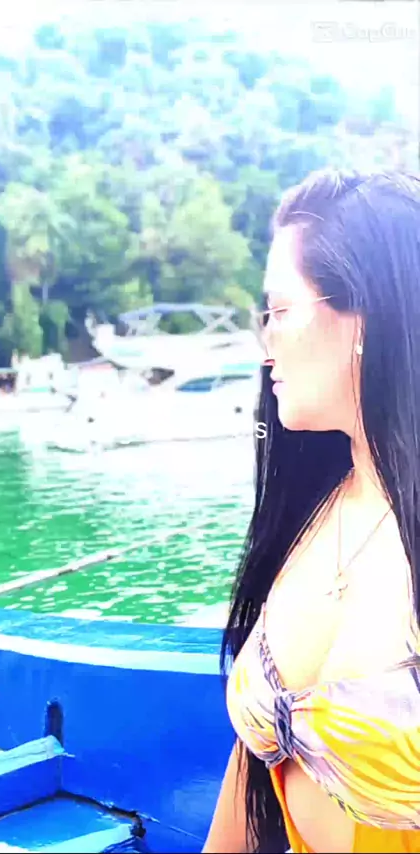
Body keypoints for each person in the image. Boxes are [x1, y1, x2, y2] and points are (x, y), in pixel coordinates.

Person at [202, 169, 420, 854]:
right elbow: (252, 766)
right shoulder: (311, 512)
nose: (265, 344)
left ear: (366, 317)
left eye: (280, 311)